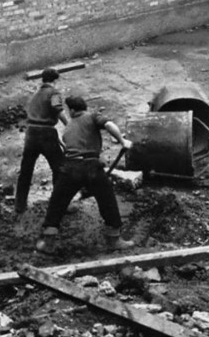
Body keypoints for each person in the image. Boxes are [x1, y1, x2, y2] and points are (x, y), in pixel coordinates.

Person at [36, 95, 135, 254]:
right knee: (107, 200)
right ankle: (114, 240)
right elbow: (109, 125)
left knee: (57, 203)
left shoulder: (67, 128)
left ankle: (48, 243)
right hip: (91, 167)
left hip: (70, 167)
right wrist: (123, 142)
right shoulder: (92, 116)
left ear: (72, 110)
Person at [15, 67, 68, 217]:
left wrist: (58, 141)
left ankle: (20, 205)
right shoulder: (53, 93)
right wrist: (70, 126)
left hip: (31, 134)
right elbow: (58, 109)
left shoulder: (34, 96)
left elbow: (38, 120)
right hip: (46, 134)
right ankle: (58, 205)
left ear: (42, 79)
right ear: (55, 80)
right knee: (60, 168)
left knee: (26, 170)